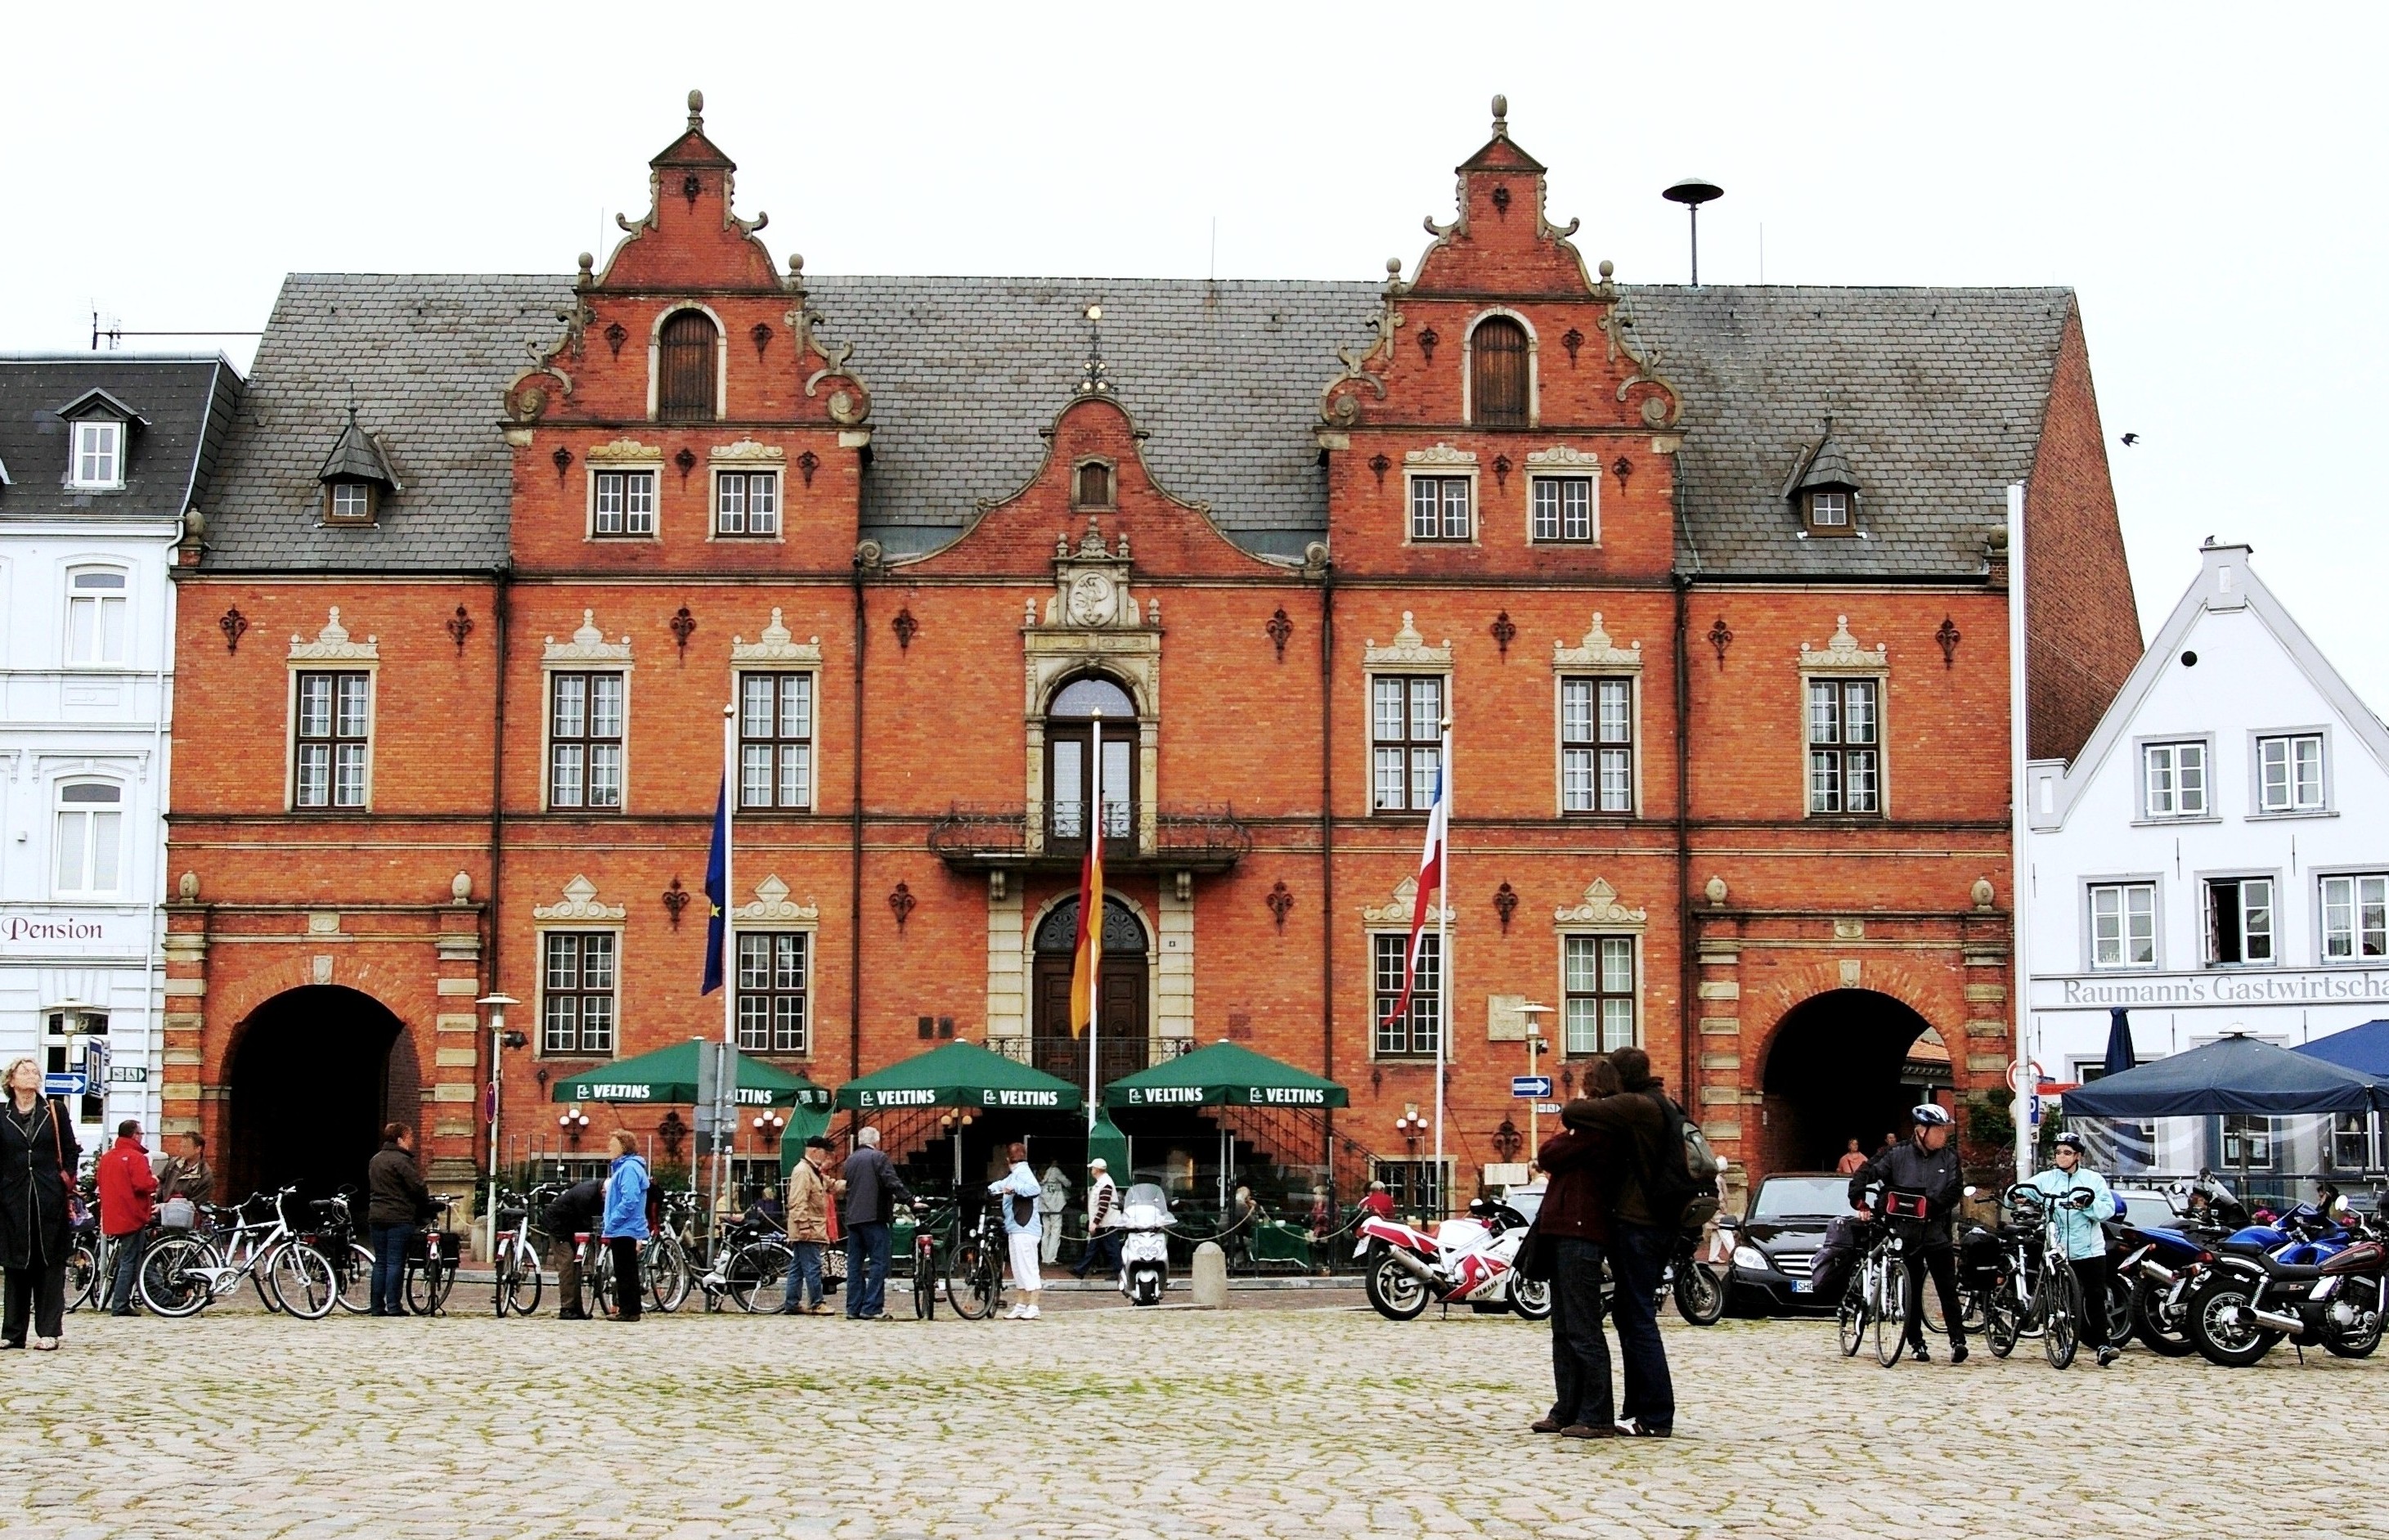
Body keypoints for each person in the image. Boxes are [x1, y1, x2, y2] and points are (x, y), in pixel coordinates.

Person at [1577, 1046, 1679, 1437]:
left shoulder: (1639, 1105)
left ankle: (1654, 1416)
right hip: (1656, 1223)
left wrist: (1600, 1100)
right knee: (1631, 1315)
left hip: (1641, 1223)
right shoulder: (1663, 1103)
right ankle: (1638, 1411)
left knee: (1637, 1318)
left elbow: (1574, 1112)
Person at [1534, 1057, 1623, 1439]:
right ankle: (1567, 1407)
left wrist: (1572, 1128)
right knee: (1563, 1326)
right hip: (1566, 1231)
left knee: (1582, 1327)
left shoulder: (1597, 1133)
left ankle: (1596, 1413)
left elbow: (1549, 1154)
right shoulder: (1588, 1132)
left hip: (1580, 1234)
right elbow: (1552, 1150)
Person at [1847, 1103, 1969, 1365]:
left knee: (1947, 1288)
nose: (1943, 1135)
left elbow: (1955, 1188)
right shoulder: (1896, 1154)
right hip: (1904, 1231)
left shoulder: (1949, 1158)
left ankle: (1958, 1341)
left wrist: (1933, 1206)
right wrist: (1859, 1201)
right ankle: (1916, 1342)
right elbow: (1865, 1173)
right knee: (1910, 1287)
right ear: (1921, 1131)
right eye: (1938, 1130)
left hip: (1936, 1232)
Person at [0, 1057, 79, 1349]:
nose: (32, 1075)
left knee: (49, 1265)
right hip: (13, 1199)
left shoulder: (54, 1111)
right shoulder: (2, 1114)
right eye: (25, 1071)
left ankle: (48, 1332)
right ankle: (12, 1332)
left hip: (49, 1198)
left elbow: (71, 1150)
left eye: (35, 1072)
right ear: (11, 1080)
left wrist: (65, 1178)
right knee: (16, 1265)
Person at [2032, 1131, 2119, 1367]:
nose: (2061, 1156)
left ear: (2078, 1156)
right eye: (2058, 1152)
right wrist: (2015, 1195)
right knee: (2063, 1301)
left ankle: (2103, 1345)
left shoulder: (2092, 1180)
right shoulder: (2047, 1178)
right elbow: (2024, 1189)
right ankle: (2063, 1342)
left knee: (2095, 1297)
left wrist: (2088, 1206)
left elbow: (2107, 1209)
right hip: (2059, 1250)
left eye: (2067, 1153)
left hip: (2089, 1250)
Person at [842, 1126, 910, 1320]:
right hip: (874, 1216)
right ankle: (871, 1307)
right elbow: (892, 1182)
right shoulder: (879, 1158)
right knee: (878, 1262)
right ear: (876, 1140)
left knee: (854, 1264)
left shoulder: (850, 1160)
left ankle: (853, 1307)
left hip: (853, 1218)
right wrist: (910, 1200)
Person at [365, 1122, 431, 1318]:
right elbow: (417, 1187)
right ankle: (394, 1306)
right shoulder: (402, 1161)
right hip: (399, 1217)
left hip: (376, 1215)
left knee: (380, 1262)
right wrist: (425, 1202)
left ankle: (376, 1306)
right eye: (410, 1138)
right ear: (400, 1139)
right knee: (395, 1262)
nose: (412, 1142)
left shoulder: (375, 1160)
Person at [96, 1119, 157, 1315]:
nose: (141, 1137)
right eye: (140, 1133)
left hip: (113, 1215)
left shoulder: (107, 1158)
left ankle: (147, 1296)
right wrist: (154, 1181)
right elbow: (143, 1184)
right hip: (132, 1214)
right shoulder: (136, 1157)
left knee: (129, 1259)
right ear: (134, 1135)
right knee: (129, 1261)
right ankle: (120, 1304)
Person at [780, 1136, 841, 1316]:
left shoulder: (813, 1171)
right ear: (815, 1151)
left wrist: (855, 1182)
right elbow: (797, 1201)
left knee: (797, 1268)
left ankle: (792, 1303)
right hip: (808, 1229)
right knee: (813, 1266)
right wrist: (803, 1225)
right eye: (824, 1153)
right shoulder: (803, 1171)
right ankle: (817, 1303)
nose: (827, 1157)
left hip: (809, 1227)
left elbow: (832, 1185)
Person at [990, 1141, 1044, 1320]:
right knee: (1019, 1269)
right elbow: (1002, 1184)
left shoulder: (1023, 1173)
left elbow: (1035, 1189)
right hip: (1016, 1227)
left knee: (1028, 1267)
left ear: (1008, 1159)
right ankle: (1021, 1305)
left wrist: (1015, 1189)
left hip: (1025, 1227)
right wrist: (990, 1188)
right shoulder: (1016, 1173)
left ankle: (1034, 1305)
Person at [600, 1130, 649, 1322]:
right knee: (626, 1269)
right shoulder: (627, 1167)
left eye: (613, 1146)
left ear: (623, 1147)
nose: (609, 1149)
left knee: (625, 1270)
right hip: (625, 1226)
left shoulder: (628, 1168)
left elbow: (630, 1199)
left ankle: (628, 1310)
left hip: (624, 1227)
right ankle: (630, 1309)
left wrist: (613, 1220)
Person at [541, 1176, 604, 1320]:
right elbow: (586, 1220)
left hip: (571, 1226)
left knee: (575, 1265)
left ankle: (576, 1306)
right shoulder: (586, 1194)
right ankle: (567, 1307)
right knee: (567, 1264)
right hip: (559, 1226)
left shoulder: (595, 1192)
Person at [1071, 1157, 1124, 1280]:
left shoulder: (1105, 1184)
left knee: (1111, 1249)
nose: (1091, 1170)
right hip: (1104, 1223)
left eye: (1092, 1168)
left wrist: (1095, 1222)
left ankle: (1119, 1272)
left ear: (1097, 1169)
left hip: (1106, 1224)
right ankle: (1080, 1270)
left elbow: (1103, 1206)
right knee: (1095, 1247)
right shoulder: (1104, 1182)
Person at [159, 1130, 213, 1206]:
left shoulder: (205, 1175)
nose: (181, 1150)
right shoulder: (174, 1163)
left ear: (198, 1149)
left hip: (185, 1215)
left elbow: (195, 1204)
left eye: (186, 1147)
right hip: (162, 1213)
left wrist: (165, 1207)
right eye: (181, 1146)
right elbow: (160, 1181)